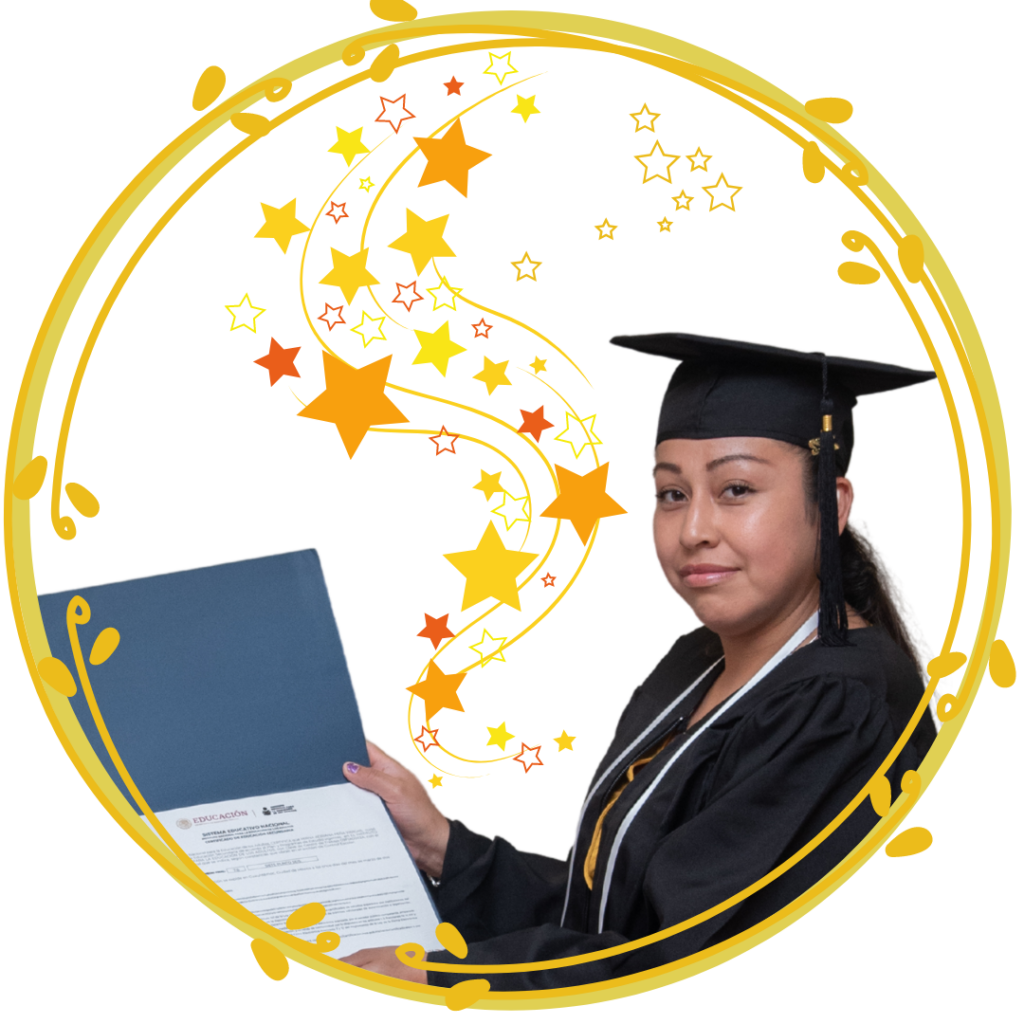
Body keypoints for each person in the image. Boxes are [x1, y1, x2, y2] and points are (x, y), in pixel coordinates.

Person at [339, 331, 942, 991]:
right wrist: (441, 844)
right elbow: (608, 919)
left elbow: (680, 961)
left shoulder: (839, 705)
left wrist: (450, 976)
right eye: (671, 494)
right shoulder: (695, 667)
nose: (693, 530)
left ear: (832, 506)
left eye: (736, 489)